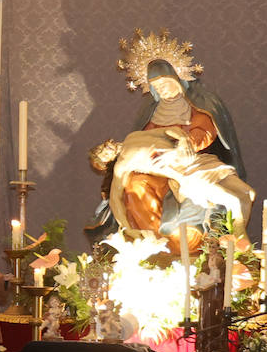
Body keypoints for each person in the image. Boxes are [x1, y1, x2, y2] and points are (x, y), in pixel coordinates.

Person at [88, 58, 253, 253]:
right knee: (135, 184)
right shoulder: (146, 122)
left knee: (244, 194)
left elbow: (197, 131)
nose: (163, 90)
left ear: (177, 78)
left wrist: (183, 143)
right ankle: (156, 244)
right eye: (157, 87)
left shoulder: (202, 103)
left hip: (190, 160)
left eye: (165, 83)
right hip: (169, 174)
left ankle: (230, 243)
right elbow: (115, 197)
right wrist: (129, 230)